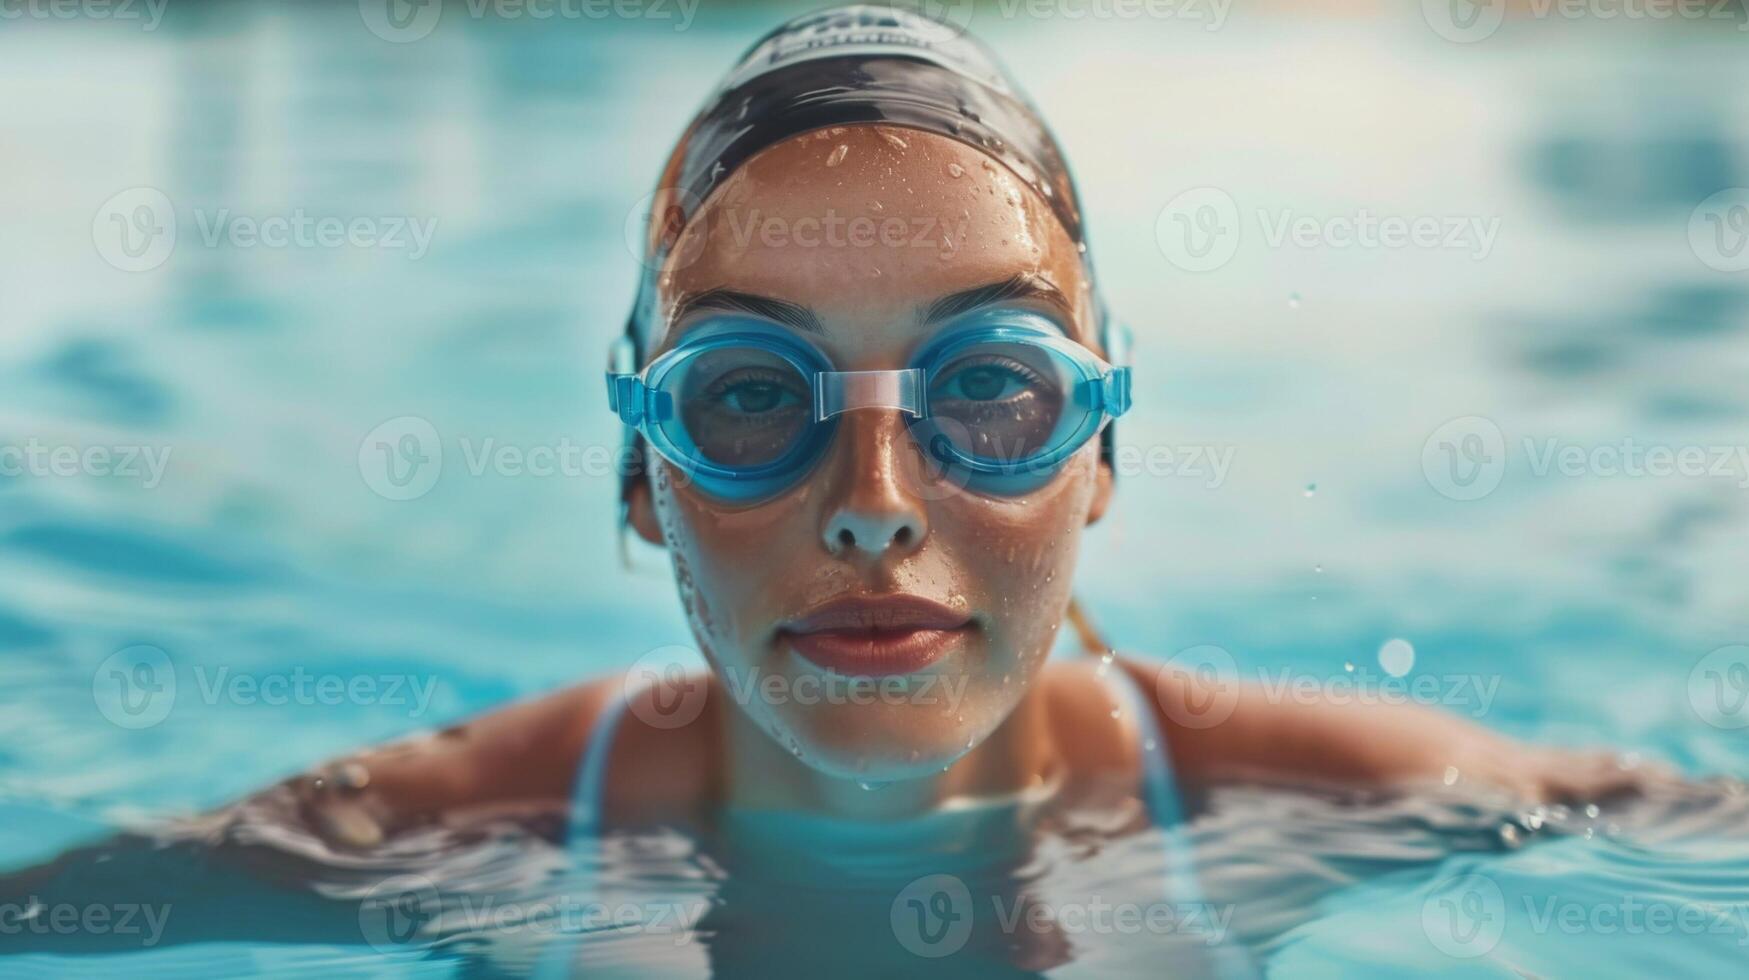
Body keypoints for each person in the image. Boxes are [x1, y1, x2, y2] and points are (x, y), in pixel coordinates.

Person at [3, 5, 1668, 973]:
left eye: (986, 390)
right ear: (644, 477)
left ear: (1097, 451)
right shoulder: (449, 832)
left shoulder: (1294, 792)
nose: (874, 500)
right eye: (747, 397)